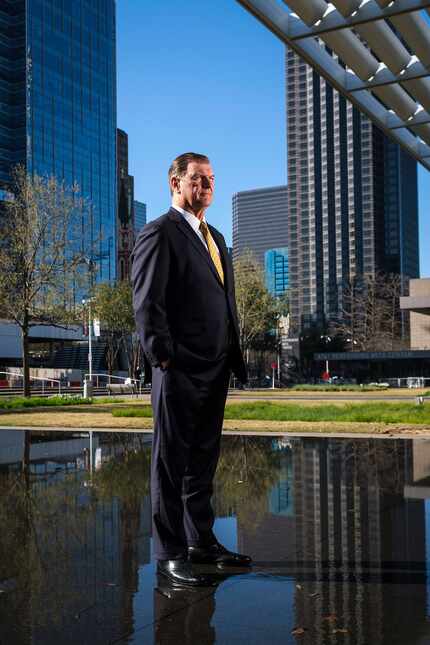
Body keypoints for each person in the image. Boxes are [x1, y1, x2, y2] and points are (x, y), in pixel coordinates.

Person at [132, 152, 250, 586]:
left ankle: (201, 541)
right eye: (198, 180)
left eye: (211, 180)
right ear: (175, 184)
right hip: (178, 369)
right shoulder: (159, 233)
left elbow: (225, 303)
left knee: (202, 461)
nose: (206, 187)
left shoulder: (216, 238)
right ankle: (169, 553)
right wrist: (164, 357)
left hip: (215, 368)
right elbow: (147, 303)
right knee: (169, 462)